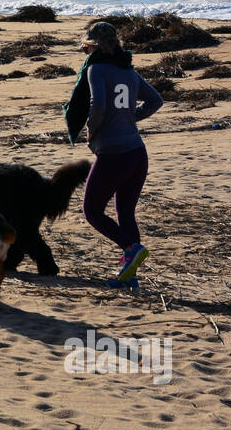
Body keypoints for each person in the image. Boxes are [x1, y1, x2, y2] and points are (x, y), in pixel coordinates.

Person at [63, 21, 162, 287]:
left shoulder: (96, 68)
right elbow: (156, 100)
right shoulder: (128, 71)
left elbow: (98, 105)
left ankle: (131, 249)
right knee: (125, 214)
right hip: (137, 153)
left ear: (92, 44)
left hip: (114, 154)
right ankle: (130, 278)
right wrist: (131, 117)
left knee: (91, 211)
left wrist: (91, 130)